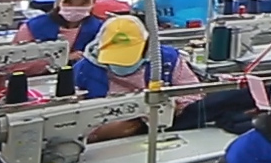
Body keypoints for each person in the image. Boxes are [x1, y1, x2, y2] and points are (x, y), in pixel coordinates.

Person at [73, 14, 202, 140]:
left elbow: (194, 93)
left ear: (146, 47)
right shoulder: (83, 70)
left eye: (126, 55)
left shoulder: (167, 60)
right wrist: (97, 133)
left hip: (165, 128)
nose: (121, 61)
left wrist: (173, 105)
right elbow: (71, 116)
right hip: (107, 141)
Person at [12, 0, 109, 69]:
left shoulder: (101, 30)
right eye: (68, 2)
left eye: (83, 3)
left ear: (94, 2)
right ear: (60, 0)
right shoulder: (32, 28)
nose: (74, 7)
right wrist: (62, 59)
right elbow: (15, 64)